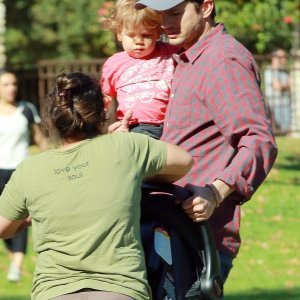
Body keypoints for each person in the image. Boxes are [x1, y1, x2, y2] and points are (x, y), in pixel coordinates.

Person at [109, 0, 278, 293]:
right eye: (160, 14)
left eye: (175, 13)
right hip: (164, 226)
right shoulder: (180, 59)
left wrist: (216, 191)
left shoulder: (222, 60)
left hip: (197, 239)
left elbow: (258, 139)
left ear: (206, 7)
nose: (165, 23)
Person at [0, 71, 193, 300]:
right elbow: (184, 162)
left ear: (52, 118)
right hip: (121, 290)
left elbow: (3, 227)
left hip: (53, 292)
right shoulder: (125, 147)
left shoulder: (29, 169)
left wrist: (29, 219)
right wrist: (133, 174)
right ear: (102, 114)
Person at [100, 0, 177, 139]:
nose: (139, 41)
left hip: (172, 124)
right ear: (119, 34)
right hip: (134, 126)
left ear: (158, 32)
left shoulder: (169, 52)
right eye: (131, 35)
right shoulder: (114, 63)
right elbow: (104, 97)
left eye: (146, 35)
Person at [0, 70, 48, 282]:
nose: (12, 88)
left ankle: (17, 265)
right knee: (3, 220)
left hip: (20, 170)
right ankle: (14, 260)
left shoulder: (27, 109)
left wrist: (53, 161)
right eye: (6, 84)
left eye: (14, 84)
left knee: (20, 215)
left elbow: (39, 139)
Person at [264, 48, 292, 134]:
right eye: (282, 57)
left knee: (289, 129)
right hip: (275, 105)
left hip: (287, 103)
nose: (284, 60)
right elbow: (278, 86)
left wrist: (285, 85)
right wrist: (286, 85)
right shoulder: (269, 70)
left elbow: (293, 84)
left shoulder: (284, 71)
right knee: (285, 129)